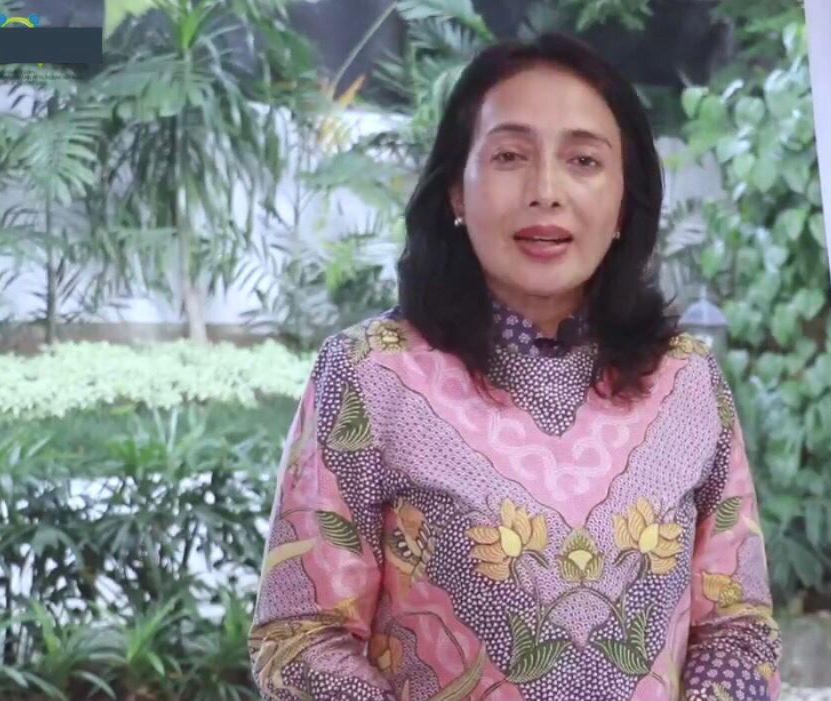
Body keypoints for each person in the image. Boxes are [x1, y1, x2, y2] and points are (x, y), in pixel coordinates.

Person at [247, 31, 781, 701]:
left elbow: (737, 628)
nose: (545, 191)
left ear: (624, 201)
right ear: (455, 192)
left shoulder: (686, 380)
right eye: (509, 156)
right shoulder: (370, 374)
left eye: (583, 160)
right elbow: (301, 637)